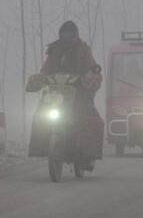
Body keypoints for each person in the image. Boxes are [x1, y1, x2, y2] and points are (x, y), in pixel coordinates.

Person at [26, 21, 104, 165]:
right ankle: (40, 148)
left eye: (70, 34)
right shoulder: (54, 49)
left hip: (78, 92)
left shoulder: (83, 49)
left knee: (91, 119)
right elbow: (46, 69)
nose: (67, 37)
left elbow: (91, 67)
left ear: (75, 35)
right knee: (40, 115)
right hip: (55, 92)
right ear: (60, 34)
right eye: (64, 33)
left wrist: (90, 77)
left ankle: (87, 156)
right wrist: (39, 78)